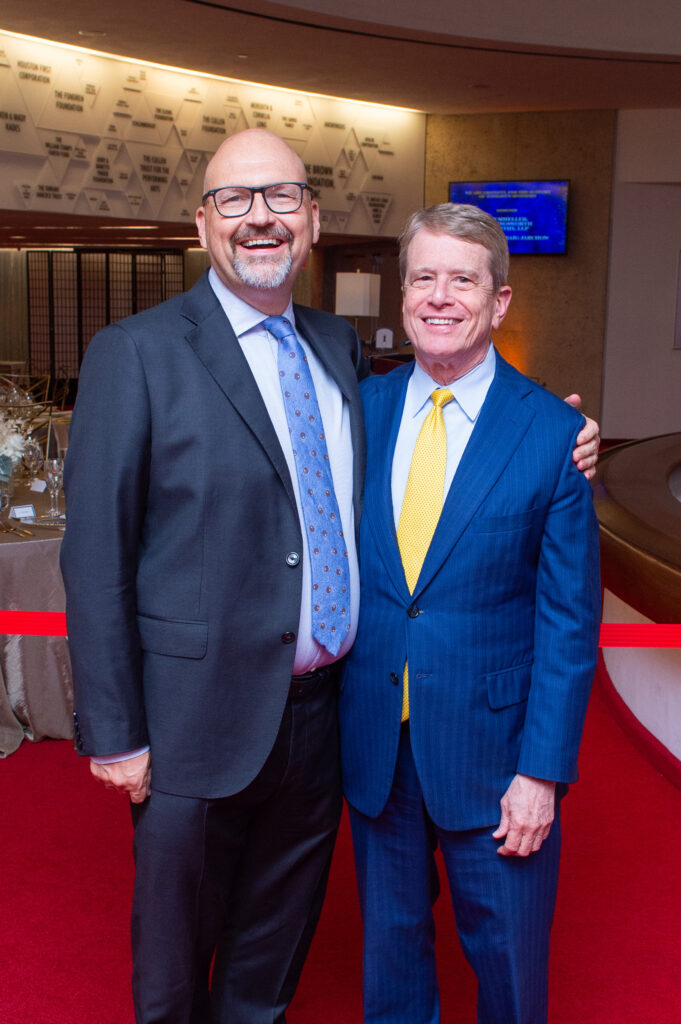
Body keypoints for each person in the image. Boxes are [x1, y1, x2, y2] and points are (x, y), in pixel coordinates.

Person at [60, 128, 599, 1024]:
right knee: (171, 970)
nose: (260, 217)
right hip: (196, 725)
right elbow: (95, 555)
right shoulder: (137, 354)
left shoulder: (341, 356)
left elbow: (467, 455)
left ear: (311, 220)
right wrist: (114, 732)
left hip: (322, 731)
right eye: (236, 199)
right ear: (202, 225)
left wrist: (560, 436)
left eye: (281, 198)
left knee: (270, 963)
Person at [338, 203, 602, 1024]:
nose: (439, 296)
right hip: (377, 742)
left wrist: (542, 774)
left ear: (499, 302)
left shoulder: (552, 433)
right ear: (402, 294)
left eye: (463, 279)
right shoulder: (358, 413)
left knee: (510, 972)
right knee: (391, 962)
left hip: (498, 762)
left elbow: (567, 624)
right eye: (423, 277)